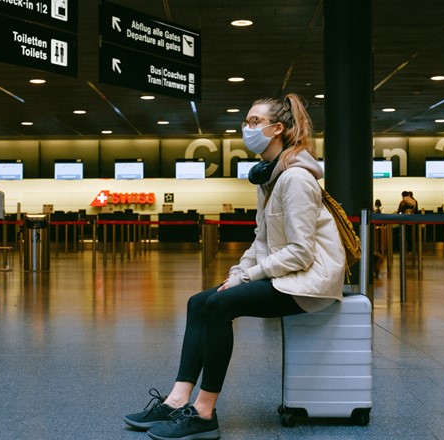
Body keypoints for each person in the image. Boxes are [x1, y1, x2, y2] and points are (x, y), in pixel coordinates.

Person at [123, 94, 346, 440]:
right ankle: (176, 399)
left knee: (219, 305)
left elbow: (301, 253)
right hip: (286, 275)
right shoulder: (271, 178)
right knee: (199, 302)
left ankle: (203, 411)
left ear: (278, 129)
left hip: (307, 283)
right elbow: (262, 239)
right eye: (246, 121)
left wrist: (250, 276)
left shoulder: (296, 179)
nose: (247, 128)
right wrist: (238, 274)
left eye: (255, 122)